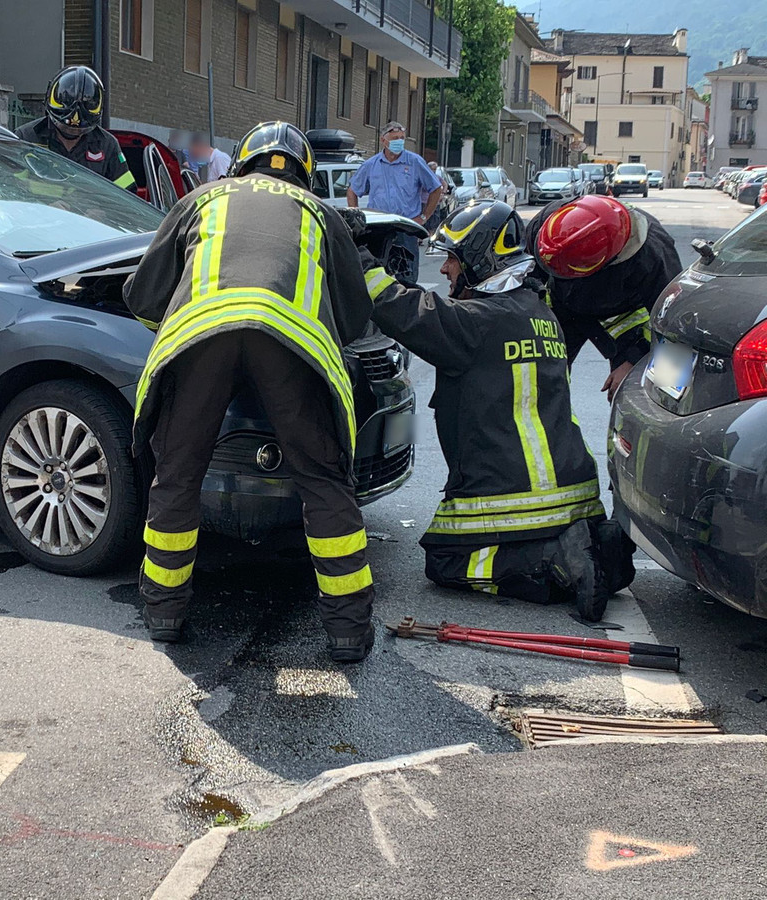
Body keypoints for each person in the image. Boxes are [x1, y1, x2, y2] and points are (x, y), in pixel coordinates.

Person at [122, 122, 378, 663]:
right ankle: (348, 631)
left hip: (201, 340)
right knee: (323, 479)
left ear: (240, 163)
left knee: (177, 475)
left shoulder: (202, 198)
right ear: (304, 173)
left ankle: (165, 613)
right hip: (291, 344)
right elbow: (355, 319)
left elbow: (141, 296)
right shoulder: (319, 212)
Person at [359, 200, 630, 621]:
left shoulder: (477, 323)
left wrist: (356, 253)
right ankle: (593, 550)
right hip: (576, 493)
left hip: (515, 498)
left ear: (479, 260)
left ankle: (555, 562)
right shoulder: (538, 313)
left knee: (446, 560)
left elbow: (403, 310)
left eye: (452, 258)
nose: (446, 270)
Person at [526, 195, 682, 400]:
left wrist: (633, 361)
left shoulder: (653, 255)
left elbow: (673, 321)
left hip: (622, 316)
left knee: (633, 392)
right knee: (541, 384)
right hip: (561, 306)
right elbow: (526, 274)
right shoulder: (549, 224)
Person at [346, 121, 443, 281]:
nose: (399, 141)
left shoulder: (414, 162)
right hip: (378, 229)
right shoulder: (372, 164)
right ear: (383, 140)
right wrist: (356, 215)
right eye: (395, 138)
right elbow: (352, 191)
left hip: (405, 227)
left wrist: (424, 217)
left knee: (407, 277)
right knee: (377, 275)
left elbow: (435, 188)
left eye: (402, 138)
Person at [15, 66, 136, 191]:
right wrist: (42, 205)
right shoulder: (26, 138)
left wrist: (100, 210)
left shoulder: (107, 145)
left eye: (80, 130)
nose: (72, 132)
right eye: (64, 127)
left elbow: (128, 195)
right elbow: (6, 186)